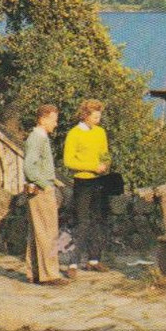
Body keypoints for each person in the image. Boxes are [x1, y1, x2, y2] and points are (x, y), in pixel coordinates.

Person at [63, 98, 111, 272]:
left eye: (99, 116)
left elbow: (105, 153)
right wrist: (93, 167)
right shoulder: (74, 134)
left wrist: (105, 166)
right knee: (82, 221)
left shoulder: (100, 132)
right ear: (85, 115)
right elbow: (69, 161)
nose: (98, 119)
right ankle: (73, 262)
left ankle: (94, 259)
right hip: (83, 181)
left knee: (98, 219)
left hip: (99, 181)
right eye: (95, 116)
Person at [22, 104, 67, 286]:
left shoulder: (39, 138)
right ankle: (49, 275)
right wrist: (46, 185)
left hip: (43, 188)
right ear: (43, 118)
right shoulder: (37, 139)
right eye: (54, 120)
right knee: (48, 232)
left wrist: (54, 180)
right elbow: (29, 167)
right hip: (42, 191)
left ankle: (33, 272)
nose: (55, 124)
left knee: (37, 232)